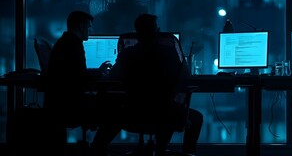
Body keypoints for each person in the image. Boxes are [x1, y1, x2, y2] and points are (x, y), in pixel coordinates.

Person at [93, 13, 203, 156]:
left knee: (113, 114)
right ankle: (166, 150)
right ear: (157, 31)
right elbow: (186, 77)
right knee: (196, 117)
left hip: (134, 114)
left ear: (136, 33)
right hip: (165, 113)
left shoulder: (127, 54)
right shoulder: (170, 53)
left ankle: (96, 149)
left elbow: (113, 78)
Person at [43, 10, 114, 154]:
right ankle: (97, 148)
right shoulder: (74, 44)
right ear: (81, 26)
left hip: (59, 103)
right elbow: (80, 77)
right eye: (89, 26)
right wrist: (99, 76)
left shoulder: (64, 42)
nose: (91, 30)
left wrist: (96, 71)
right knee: (115, 111)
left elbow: (75, 73)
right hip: (71, 105)